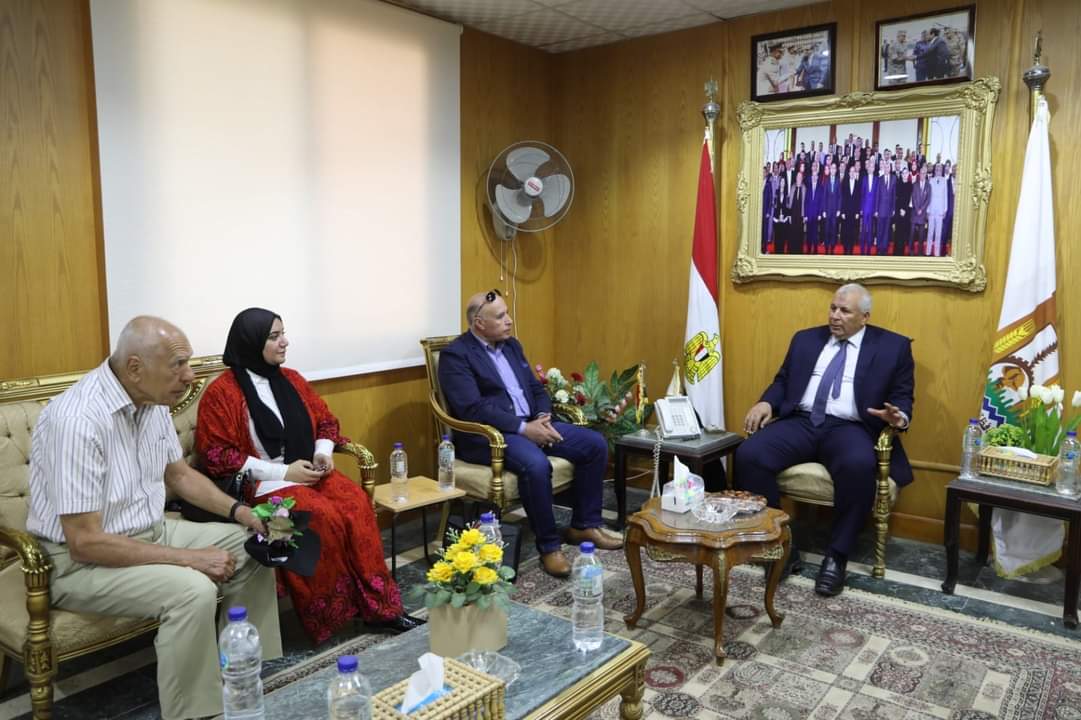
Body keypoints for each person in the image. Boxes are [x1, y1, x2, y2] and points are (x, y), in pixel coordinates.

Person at [27, 316, 282, 720]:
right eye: (178, 364)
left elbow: (179, 477)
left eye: (188, 362)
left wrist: (242, 512)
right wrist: (191, 560)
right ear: (135, 367)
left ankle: (243, 675)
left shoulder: (151, 400)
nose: (190, 375)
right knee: (192, 589)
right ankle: (195, 711)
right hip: (81, 563)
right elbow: (85, 542)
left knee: (252, 545)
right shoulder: (77, 420)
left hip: (151, 533)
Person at [195, 308, 422, 644]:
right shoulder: (223, 393)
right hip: (262, 484)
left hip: (307, 470)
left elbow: (327, 422)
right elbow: (218, 456)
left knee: (355, 503)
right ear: (251, 343)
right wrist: (284, 471)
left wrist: (322, 453)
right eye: (274, 337)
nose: (285, 342)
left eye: (283, 333)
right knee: (319, 514)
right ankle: (333, 614)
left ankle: (382, 608)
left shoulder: (293, 380)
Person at [734, 284, 914, 596]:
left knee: (858, 465)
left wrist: (899, 417)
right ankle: (780, 542)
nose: (835, 316)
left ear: (865, 317)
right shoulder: (805, 339)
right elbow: (783, 381)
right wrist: (766, 403)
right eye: (833, 308)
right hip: (802, 422)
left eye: (844, 311)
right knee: (750, 454)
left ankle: (837, 556)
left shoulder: (893, 347)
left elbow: (902, 396)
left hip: (850, 427)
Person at [438, 290, 622, 578]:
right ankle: (549, 547)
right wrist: (524, 429)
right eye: (500, 316)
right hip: (492, 435)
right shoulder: (456, 355)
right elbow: (473, 408)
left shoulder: (512, 346)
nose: (509, 320)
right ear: (479, 323)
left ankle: (584, 526)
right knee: (536, 464)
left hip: (531, 423)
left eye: (507, 313)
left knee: (594, 444)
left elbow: (535, 388)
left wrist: (542, 417)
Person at [873, 163, 896, 255]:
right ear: (884, 168)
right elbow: (877, 195)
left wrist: (893, 209)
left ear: (890, 169)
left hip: (889, 209)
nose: (887, 169)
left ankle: (884, 248)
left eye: (888, 167)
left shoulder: (894, 179)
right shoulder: (880, 179)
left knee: (887, 230)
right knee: (880, 229)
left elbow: (894, 195)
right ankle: (879, 248)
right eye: (885, 167)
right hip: (880, 209)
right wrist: (876, 210)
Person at [909, 165, 932, 255]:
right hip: (915, 212)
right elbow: (913, 197)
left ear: (926, 174)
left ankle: (920, 252)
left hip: (922, 214)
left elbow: (928, 199)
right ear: (919, 174)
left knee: (921, 234)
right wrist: (917, 208)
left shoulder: (928, 186)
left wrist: (921, 209)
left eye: (924, 173)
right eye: (921, 173)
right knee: (912, 233)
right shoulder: (915, 184)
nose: (922, 175)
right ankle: (911, 250)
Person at [840, 164, 861, 254]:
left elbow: (859, 199)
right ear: (848, 173)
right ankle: (845, 250)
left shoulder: (857, 183)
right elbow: (842, 198)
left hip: (854, 212)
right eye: (851, 171)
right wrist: (842, 212)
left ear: (855, 173)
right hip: (845, 212)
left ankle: (851, 250)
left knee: (852, 231)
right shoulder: (844, 183)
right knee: (845, 231)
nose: (852, 173)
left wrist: (857, 212)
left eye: (853, 171)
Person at [893, 166, 914, 255]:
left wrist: (905, 210)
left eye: (906, 173)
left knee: (903, 233)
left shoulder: (910, 185)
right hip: (898, 211)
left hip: (906, 212)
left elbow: (909, 199)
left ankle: (901, 252)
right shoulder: (898, 184)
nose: (904, 175)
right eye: (903, 173)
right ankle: (896, 252)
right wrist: (900, 209)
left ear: (908, 174)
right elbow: (897, 198)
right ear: (901, 175)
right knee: (897, 232)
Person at [822, 162, 842, 255]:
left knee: (834, 229)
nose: (833, 170)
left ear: (836, 170)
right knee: (827, 230)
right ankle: (826, 248)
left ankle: (832, 248)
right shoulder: (826, 181)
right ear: (830, 170)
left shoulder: (838, 181)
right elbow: (824, 196)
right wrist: (824, 210)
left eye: (834, 168)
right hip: (827, 210)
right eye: (832, 168)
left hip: (835, 211)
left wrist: (839, 209)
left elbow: (840, 196)